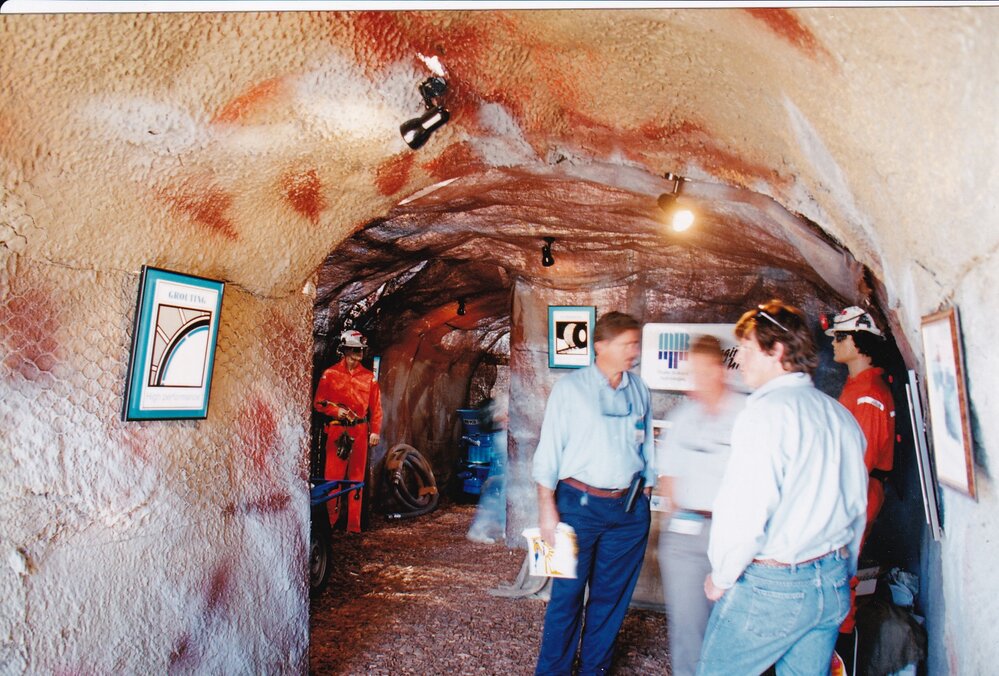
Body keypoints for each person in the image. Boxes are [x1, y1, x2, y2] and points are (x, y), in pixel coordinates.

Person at [697, 300, 867, 676]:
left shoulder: (764, 415)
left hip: (774, 587)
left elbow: (746, 512)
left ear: (776, 351)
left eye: (745, 348)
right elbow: (857, 505)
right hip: (832, 581)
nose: (737, 359)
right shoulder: (839, 415)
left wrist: (722, 575)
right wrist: (841, 568)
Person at [532, 311, 656, 675]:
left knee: (610, 601)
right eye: (627, 344)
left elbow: (647, 445)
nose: (634, 351)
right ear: (600, 346)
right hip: (575, 507)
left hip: (628, 512)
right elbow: (549, 449)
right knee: (565, 598)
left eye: (636, 344)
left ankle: (594, 670)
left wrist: (646, 488)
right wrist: (546, 507)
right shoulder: (570, 389)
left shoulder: (639, 388)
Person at [656, 335, 746, 676]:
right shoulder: (683, 417)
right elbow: (670, 476)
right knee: (687, 629)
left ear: (720, 370)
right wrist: (674, 526)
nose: (697, 380)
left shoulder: (746, 414)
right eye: (692, 372)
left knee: (734, 628)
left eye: (704, 371)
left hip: (732, 533)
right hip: (685, 535)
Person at [826, 306, 897, 664]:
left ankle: (839, 656)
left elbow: (859, 462)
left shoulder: (868, 393)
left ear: (860, 342)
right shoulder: (860, 385)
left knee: (842, 576)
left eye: (840, 337)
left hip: (857, 493)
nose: (834, 344)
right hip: (856, 491)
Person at [313, 329, 383, 533]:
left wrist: (375, 431)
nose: (359, 354)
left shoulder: (369, 378)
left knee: (356, 478)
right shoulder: (330, 374)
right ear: (344, 350)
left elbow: (376, 408)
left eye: (360, 349)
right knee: (332, 479)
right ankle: (330, 525)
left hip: (360, 431)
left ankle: (353, 526)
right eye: (354, 349)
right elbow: (318, 403)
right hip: (336, 432)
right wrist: (336, 411)